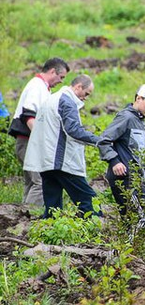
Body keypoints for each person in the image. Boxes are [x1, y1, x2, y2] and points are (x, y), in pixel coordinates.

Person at [23, 75, 101, 218]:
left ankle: (49, 228)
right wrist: (98, 141)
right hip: (62, 162)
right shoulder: (67, 102)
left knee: (53, 208)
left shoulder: (52, 99)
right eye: (86, 93)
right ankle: (96, 227)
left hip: (46, 161)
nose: (85, 98)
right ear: (78, 87)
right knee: (89, 201)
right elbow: (73, 130)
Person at [7, 58, 70, 207]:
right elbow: (28, 115)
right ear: (52, 71)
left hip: (28, 141)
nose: (61, 81)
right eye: (61, 77)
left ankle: (22, 213)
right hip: (29, 141)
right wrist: (41, 140)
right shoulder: (37, 86)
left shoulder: (43, 88)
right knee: (40, 182)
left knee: (31, 182)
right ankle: (31, 214)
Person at [99, 84, 145, 219]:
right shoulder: (126, 117)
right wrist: (114, 161)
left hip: (136, 177)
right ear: (139, 98)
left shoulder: (139, 120)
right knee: (136, 218)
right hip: (124, 178)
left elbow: (136, 152)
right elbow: (103, 140)